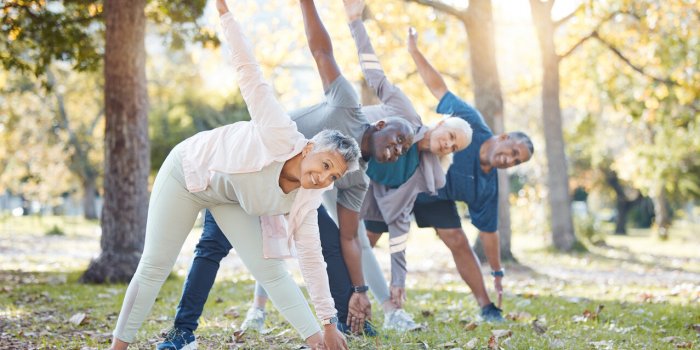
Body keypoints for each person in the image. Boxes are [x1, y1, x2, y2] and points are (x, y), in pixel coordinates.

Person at [156, 0, 417, 348]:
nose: (398, 148)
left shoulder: (357, 179)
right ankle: (182, 330)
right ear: (380, 123)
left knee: (330, 243)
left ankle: (339, 324)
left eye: (404, 149)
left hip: (293, 197)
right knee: (212, 246)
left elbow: (350, 240)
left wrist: (359, 291)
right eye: (399, 137)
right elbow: (321, 51)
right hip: (250, 171)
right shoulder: (347, 104)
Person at [108, 1, 361, 349]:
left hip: (226, 197)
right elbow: (249, 72)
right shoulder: (279, 131)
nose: (324, 178)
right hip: (187, 171)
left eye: (334, 177)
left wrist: (329, 323)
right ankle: (117, 347)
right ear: (308, 149)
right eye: (325, 164)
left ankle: (318, 343)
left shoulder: (306, 196)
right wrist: (226, 16)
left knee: (271, 271)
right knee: (154, 265)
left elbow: (312, 259)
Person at [237, 0, 475, 334]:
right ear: (440, 124)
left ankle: (381, 310)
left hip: (338, 174)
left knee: (340, 238)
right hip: (282, 152)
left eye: (454, 147)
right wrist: (354, 21)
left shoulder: (423, 171)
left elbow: (398, 223)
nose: (447, 144)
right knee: (276, 234)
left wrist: (389, 284)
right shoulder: (389, 113)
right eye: (450, 135)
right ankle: (258, 308)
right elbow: (361, 68)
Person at [362, 25, 535, 324]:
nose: (510, 160)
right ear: (504, 137)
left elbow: (490, 233)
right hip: (407, 176)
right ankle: (346, 292)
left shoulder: (487, 185)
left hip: (434, 195)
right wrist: (415, 52)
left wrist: (497, 272)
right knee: (368, 236)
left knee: (457, 238)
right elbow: (438, 88)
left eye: (517, 162)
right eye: (514, 152)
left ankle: (486, 307)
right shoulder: (472, 124)